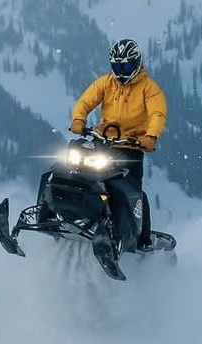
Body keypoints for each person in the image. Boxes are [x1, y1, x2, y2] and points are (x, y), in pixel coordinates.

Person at [69, 38, 167, 249]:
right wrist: (79, 119)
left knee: (132, 192)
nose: (121, 72)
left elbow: (158, 113)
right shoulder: (106, 83)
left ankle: (142, 240)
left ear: (137, 64)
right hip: (102, 141)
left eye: (126, 66)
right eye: (117, 66)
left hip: (131, 147)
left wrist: (150, 136)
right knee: (73, 169)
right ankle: (58, 213)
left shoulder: (149, 88)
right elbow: (86, 100)